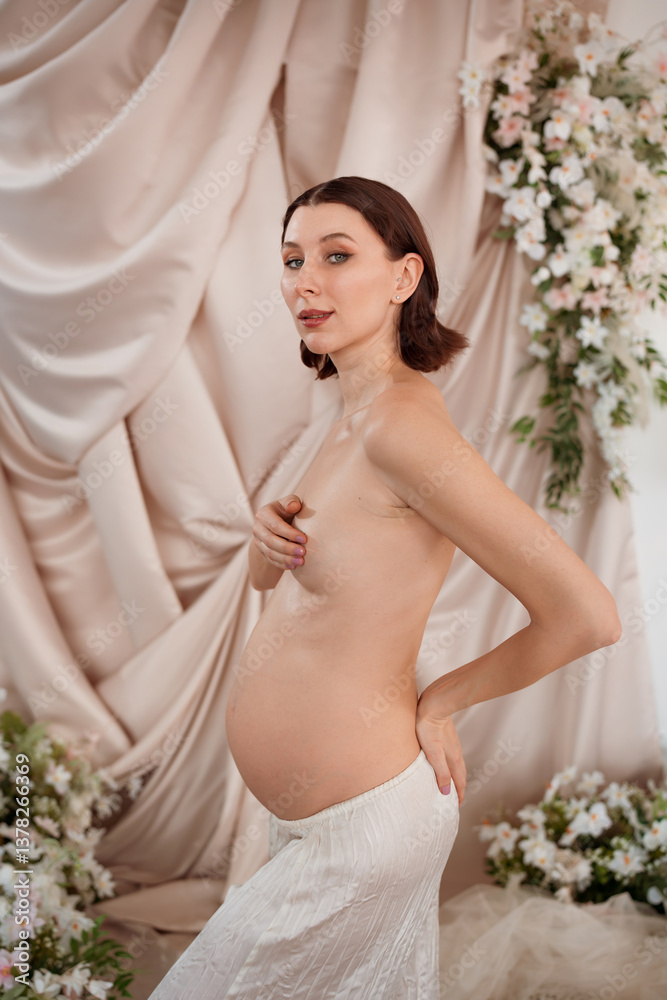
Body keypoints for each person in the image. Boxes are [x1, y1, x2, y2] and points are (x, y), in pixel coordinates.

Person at [147, 176, 622, 999]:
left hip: (361, 827)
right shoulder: (351, 417)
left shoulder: (402, 425)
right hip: (308, 821)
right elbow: (285, 586)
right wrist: (265, 541)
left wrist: (440, 702)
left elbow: (585, 614)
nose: (305, 281)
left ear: (404, 278)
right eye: (293, 259)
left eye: (337, 256)